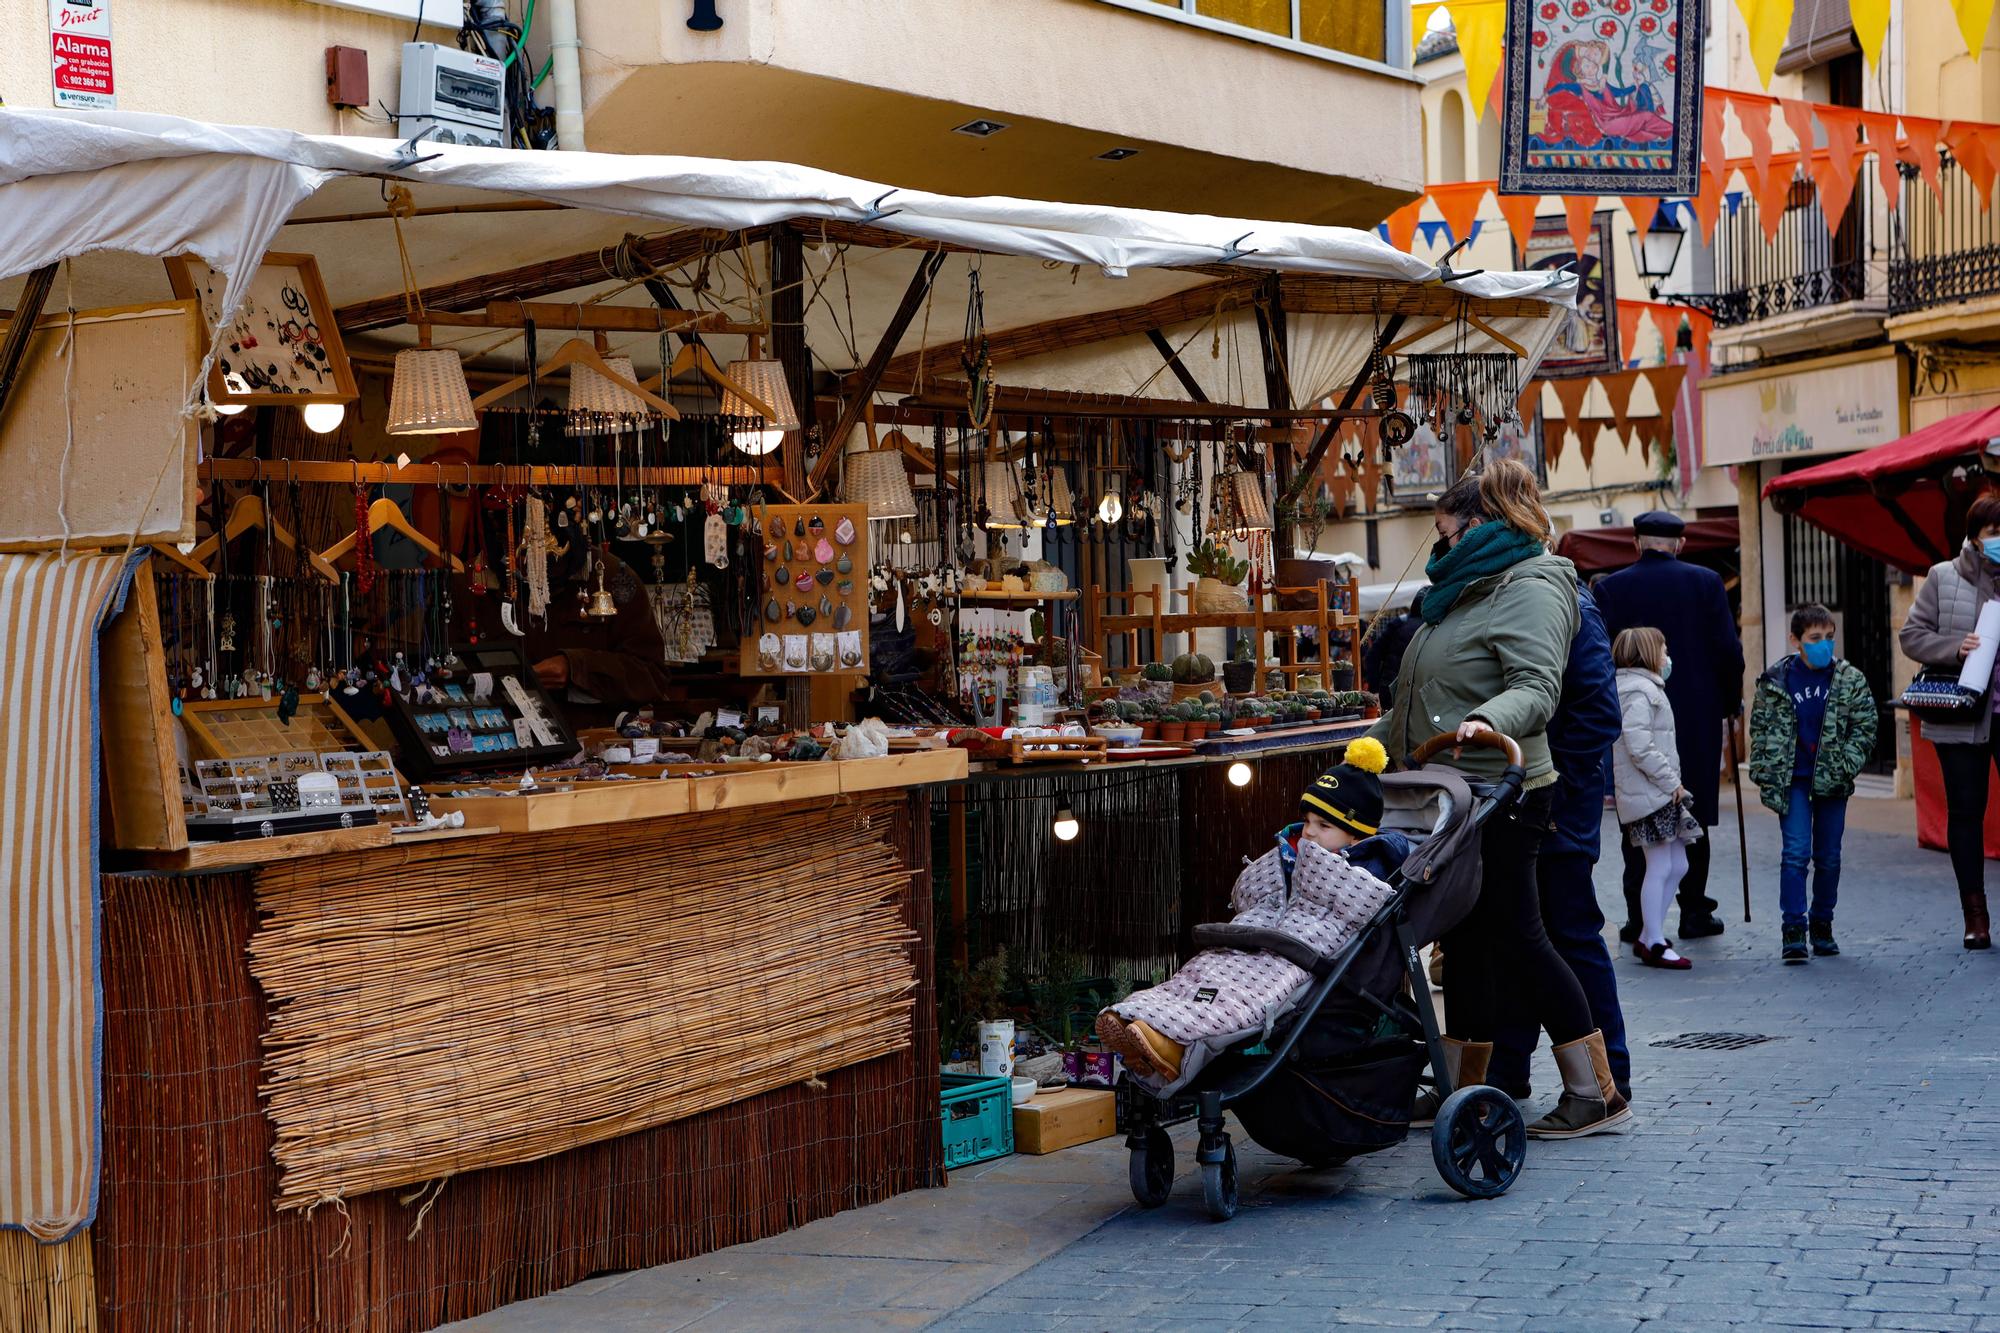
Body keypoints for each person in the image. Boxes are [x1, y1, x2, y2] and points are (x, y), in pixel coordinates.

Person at [1372, 460, 1630, 1140]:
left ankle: (1596, 1091)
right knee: (1466, 944)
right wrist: (1366, 745)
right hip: (1454, 788)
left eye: (1448, 532)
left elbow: (1537, 686)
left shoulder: (1534, 584)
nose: (1440, 547)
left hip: (1506, 790)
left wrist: (1487, 720)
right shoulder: (1464, 589)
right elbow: (1421, 696)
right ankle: (1469, 1087)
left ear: (1482, 526)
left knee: (1521, 937)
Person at [1094, 740, 1411, 1085]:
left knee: (1242, 994)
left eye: (1323, 825)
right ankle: (1147, 1021)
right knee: (1207, 968)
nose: (1308, 832)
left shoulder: (1367, 871)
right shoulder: (1296, 854)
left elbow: (1343, 905)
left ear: (1355, 836)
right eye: (1307, 820)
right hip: (1263, 933)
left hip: (1296, 955)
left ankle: (1172, 1044)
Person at [1489, 585, 1632, 1103]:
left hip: (1555, 806)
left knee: (1568, 932)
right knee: (1523, 936)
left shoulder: (1568, 602)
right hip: (1524, 799)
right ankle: (1508, 1072)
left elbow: (1598, 712)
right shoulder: (1506, 595)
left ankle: (1605, 1080)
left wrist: (1557, 789)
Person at [1594, 510, 1743, 942]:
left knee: (1638, 813)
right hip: (1694, 719)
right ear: (1680, 544)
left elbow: (1599, 657)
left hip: (1628, 715)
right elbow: (1728, 651)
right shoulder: (1706, 582)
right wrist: (1729, 704)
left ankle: (1639, 919)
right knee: (1690, 813)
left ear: (1636, 543)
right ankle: (1694, 910)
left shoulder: (1610, 588)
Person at [1897, 494, 2000, 950]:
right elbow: (1912, 635)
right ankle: (1974, 916)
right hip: (1962, 714)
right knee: (1965, 812)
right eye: (1995, 533)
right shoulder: (1943, 576)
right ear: (1975, 536)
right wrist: (1956, 647)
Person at [1749, 604, 1878, 962]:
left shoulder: (1849, 679)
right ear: (1796, 640)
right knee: (1795, 853)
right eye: (1815, 638)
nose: (1824, 645)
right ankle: (1793, 930)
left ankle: (1823, 923)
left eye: (1829, 638)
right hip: (1792, 781)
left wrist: (1845, 764)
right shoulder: (1775, 681)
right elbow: (1759, 730)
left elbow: (1865, 726)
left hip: (1832, 782)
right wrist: (1763, 769)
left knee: (1829, 857)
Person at [1612, 627, 1701, 970]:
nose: (1667, 656)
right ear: (1648, 653)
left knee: (1678, 864)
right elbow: (1639, 746)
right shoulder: (1640, 692)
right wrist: (1670, 782)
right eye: (1664, 649)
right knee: (1662, 865)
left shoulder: (1643, 689)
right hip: (1653, 793)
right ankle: (1654, 940)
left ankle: (1651, 936)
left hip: (1658, 791)